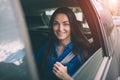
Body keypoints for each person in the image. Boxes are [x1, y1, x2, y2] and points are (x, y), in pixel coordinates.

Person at [35, 7, 90, 80]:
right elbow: (31, 65)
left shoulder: (82, 51)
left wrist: (66, 77)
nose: (60, 29)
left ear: (72, 26)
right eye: (56, 23)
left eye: (66, 24)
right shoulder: (47, 46)